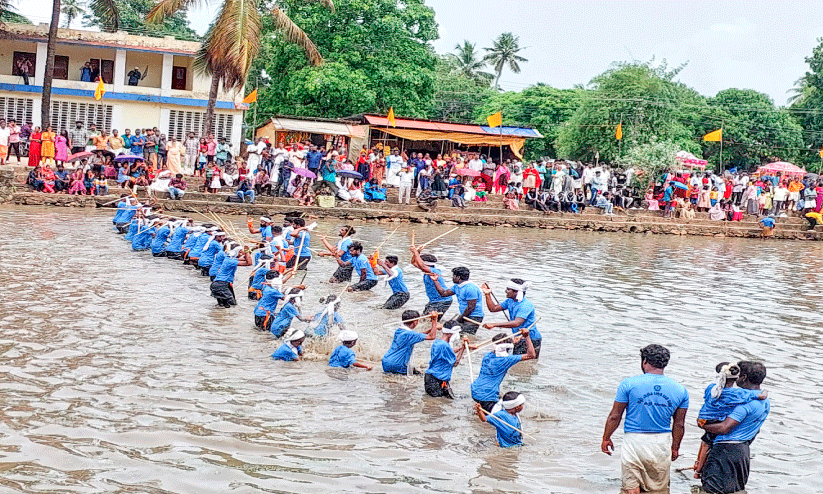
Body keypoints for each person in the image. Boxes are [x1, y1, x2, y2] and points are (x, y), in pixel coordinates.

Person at [601, 344, 689, 494]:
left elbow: (615, 416)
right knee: (658, 489)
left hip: (634, 442)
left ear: (645, 361)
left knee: (631, 489)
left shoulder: (628, 384)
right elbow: (679, 424)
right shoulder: (680, 390)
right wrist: (675, 447)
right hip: (661, 444)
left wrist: (606, 437)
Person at [698, 361, 770, 494]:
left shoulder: (743, 404)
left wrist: (703, 425)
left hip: (724, 452)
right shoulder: (765, 401)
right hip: (742, 453)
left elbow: (724, 428)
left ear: (743, 378)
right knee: (735, 489)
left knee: (711, 489)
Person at [470, 330, 535, 412]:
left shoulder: (487, 356)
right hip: (487, 396)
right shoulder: (506, 360)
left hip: (475, 390)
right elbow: (531, 355)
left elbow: (502, 350)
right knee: (508, 412)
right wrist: (527, 336)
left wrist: (513, 342)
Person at [481, 279, 542, 357]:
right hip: (518, 337)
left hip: (530, 339)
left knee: (527, 361)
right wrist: (487, 294)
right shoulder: (510, 301)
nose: (505, 291)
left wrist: (494, 325)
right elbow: (493, 308)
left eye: (508, 289)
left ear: (516, 292)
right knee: (517, 363)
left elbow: (516, 323)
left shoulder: (525, 305)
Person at [428, 266, 484, 334]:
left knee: (464, 335)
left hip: (474, 317)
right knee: (454, 333)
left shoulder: (470, 288)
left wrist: (459, 320)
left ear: (458, 277)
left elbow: (471, 307)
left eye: (453, 276)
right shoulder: (457, 286)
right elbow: (443, 293)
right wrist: (435, 280)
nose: (452, 278)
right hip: (465, 315)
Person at [381, 310, 439, 374]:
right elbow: (432, 336)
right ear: (414, 322)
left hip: (386, 361)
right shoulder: (410, 334)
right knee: (420, 376)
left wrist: (434, 328)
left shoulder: (400, 330)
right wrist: (434, 321)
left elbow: (418, 335)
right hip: (397, 364)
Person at [409, 247, 453, 318]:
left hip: (443, 301)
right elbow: (413, 262)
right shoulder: (427, 270)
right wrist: (417, 252)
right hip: (434, 300)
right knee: (424, 319)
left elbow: (422, 266)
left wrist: (416, 253)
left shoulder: (434, 271)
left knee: (429, 320)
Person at [425, 325, 465, 399]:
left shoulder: (438, 342)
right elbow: (455, 363)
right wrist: (463, 349)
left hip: (432, 377)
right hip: (437, 380)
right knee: (436, 405)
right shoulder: (445, 346)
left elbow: (448, 352)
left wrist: (460, 348)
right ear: (450, 334)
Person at [211, 243, 252, 308]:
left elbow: (245, 258)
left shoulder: (229, 258)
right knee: (232, 305)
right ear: (236, 252)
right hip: (221, 285)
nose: (241, 254)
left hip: (219, 284)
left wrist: (251, 250)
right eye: (240, 252)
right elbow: (249, 263)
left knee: (224, 307)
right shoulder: (231, 261)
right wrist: (246, 251)